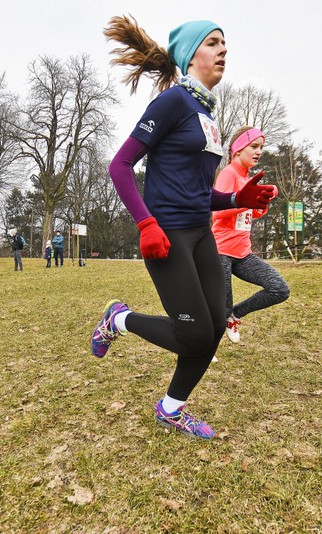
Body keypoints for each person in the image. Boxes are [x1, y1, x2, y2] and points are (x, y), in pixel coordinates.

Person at [91, 16, 276, 440]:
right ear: (192, 55)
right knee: (193, 334)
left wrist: (235, 199)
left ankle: (171, 409)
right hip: (166, 235)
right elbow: (119, 166)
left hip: (201, 235)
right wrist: (146, 223)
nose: (223, 50)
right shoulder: (173, 102)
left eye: (225, 43)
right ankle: (118, 320)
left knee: (214, 328)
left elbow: (196, 191)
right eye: (213, 43)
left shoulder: (207, 113)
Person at [213, 127, 289, 343]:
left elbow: (251, 213)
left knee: (279, 289)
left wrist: (263, 201)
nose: (259, 152)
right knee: (221, 307)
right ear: (237, 150)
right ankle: (205, 353)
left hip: (242, 253)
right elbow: (216, 214)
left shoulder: (248, 178)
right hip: (221, 252)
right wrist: (242, 200)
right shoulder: (229, 173)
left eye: (261, 148)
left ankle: (235, 315)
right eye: (254, 146)